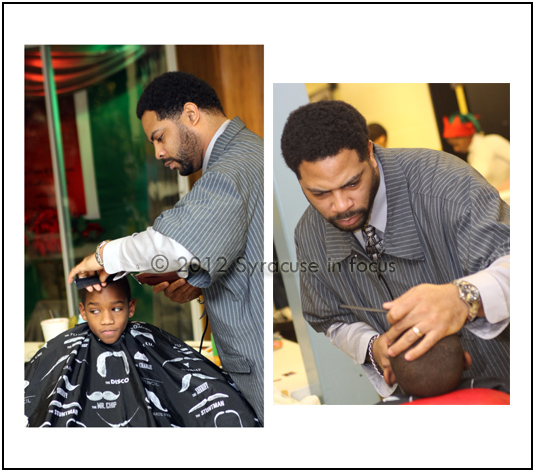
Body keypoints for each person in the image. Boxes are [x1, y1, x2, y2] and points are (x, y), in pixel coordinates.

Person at [68, 71, 264, 424]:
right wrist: (198, 278)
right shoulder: (249, 152)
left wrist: (101, 255)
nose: (158, 153)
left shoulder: (229, 169)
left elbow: (171, 245)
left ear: (191, 115)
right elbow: (244, 249)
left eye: (160, 138)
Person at [280, 100, 509, 398]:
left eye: (352, 184)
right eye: (320, 193)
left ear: (371, 154)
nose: (340, 205)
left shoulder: (446, 184)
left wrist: (464, 297)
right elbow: (331, 319)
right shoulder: (310, 234)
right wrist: (372, 346)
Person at [24, 276, 260, 427]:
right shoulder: (67, 348)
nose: (107, 320)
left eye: (116, 308)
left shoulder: (149, 340)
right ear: (83, 312)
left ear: (131, 307)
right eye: (96, 311)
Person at [442, 113, 510, 193]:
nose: (456, 149)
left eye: (456, 145)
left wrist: (505, 187)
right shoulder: (471, 157)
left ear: (465, 136)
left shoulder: (493, 141)